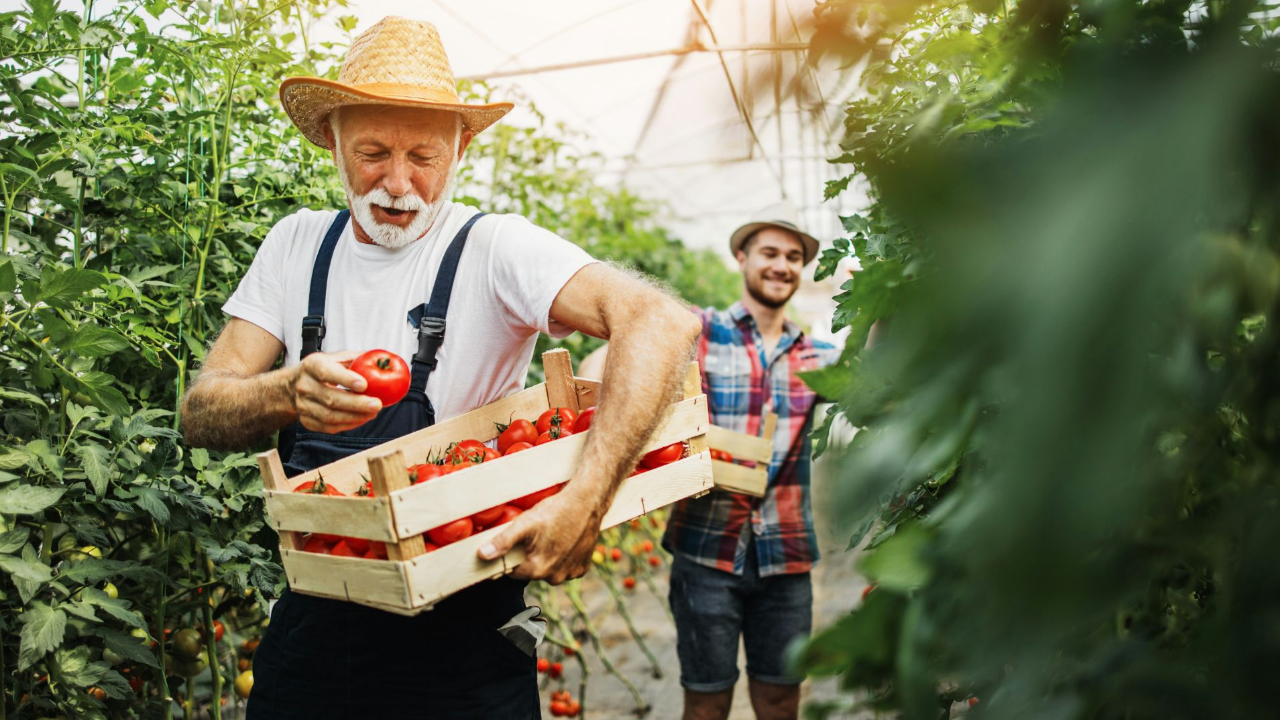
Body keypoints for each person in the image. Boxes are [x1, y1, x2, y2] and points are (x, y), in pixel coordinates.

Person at [179, 17, 700, 719]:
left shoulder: (493, 250)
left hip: (467, 634)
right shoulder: (296, 244)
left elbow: (662, 321)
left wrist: (587, 497)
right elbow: (202, 412)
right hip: (316, 621)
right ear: (332, 140)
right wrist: (283, 393)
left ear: (461, 149)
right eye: (372, 152)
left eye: (423, 156)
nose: (398, 183)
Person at [580, 201, 840, 720]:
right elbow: (618, 352)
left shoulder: (818, 357)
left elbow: (876, 377)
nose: (781, 265)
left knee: (780, 699)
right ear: (742, 257)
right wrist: (597, 385)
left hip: (786, 558)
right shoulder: (700, 331)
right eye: (769, 252)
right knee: (705, 701)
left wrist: (887, 303)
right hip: (705, 554)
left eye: (793, 256)